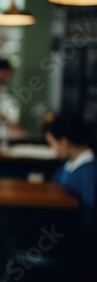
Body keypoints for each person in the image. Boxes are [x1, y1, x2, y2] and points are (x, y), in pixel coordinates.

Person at [44, 113, 97, 281]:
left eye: (53, 144)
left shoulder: (89, 173)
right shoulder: (68, 166)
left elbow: (88, 221)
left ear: (65, 142)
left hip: (72, 243)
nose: (53, 150)